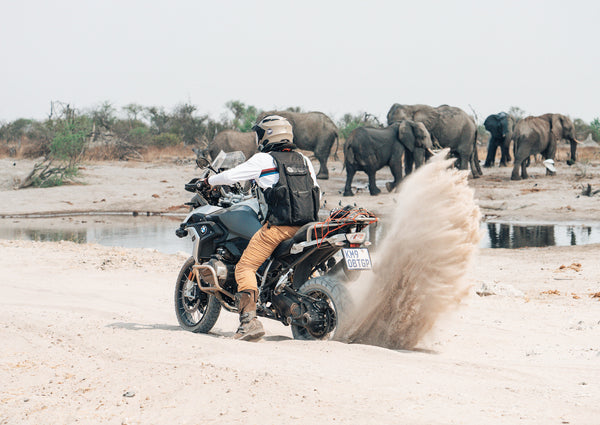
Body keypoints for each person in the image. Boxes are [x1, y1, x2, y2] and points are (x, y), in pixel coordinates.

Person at [205, 115, 320, 341]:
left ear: (268, 135)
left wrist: (208, 182)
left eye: (260, 134)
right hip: (307, 227)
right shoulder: (304, 160)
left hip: (278, 229)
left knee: (244, 268)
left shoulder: (263, 159)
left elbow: (230, 175)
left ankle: (249, 322)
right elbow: (315, 189)